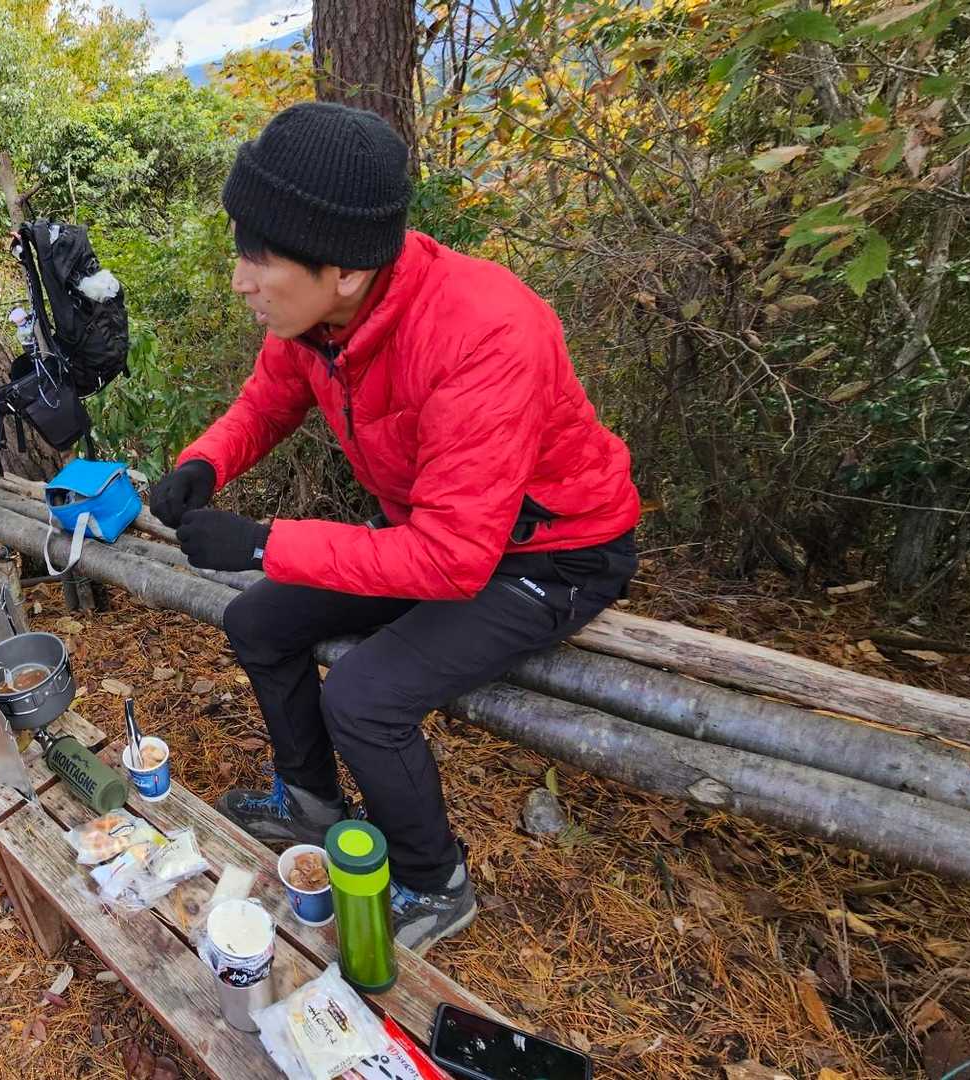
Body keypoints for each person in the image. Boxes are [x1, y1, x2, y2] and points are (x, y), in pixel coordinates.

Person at [147, 103, 641, 953]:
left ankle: (432, 880)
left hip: (550, 556)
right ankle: (310, 802)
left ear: (343, 269)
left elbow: (452, 560)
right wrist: (205, 462)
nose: (240, 279)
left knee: (365, 696)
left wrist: (264, 543)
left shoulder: (485, 332)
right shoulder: (320, 318)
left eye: (260, 258)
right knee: (258, 620)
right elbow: (269, 400)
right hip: (435, 532)